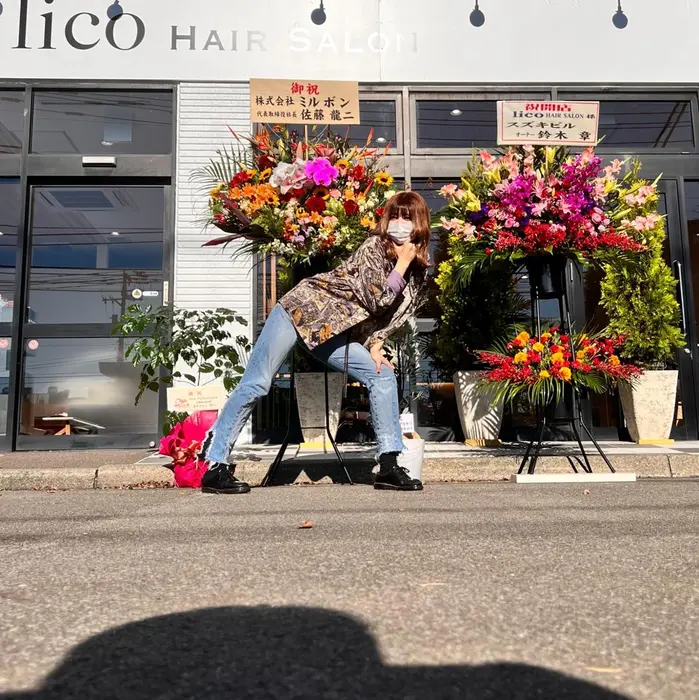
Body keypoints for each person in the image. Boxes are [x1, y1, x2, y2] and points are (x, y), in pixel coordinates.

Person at [199, 191, 431, 494]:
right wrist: (401, 264)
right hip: (300, 310)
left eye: (407, 217)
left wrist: (376, 343)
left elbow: (396, 314)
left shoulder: (418, 270)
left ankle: (388, 465)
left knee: (382, 374)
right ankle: (215, 465)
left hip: (331, 331)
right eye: (395, 216)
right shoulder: (374, 247)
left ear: (420, 223)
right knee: (257, 383)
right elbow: (376, 299)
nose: (399, 223)